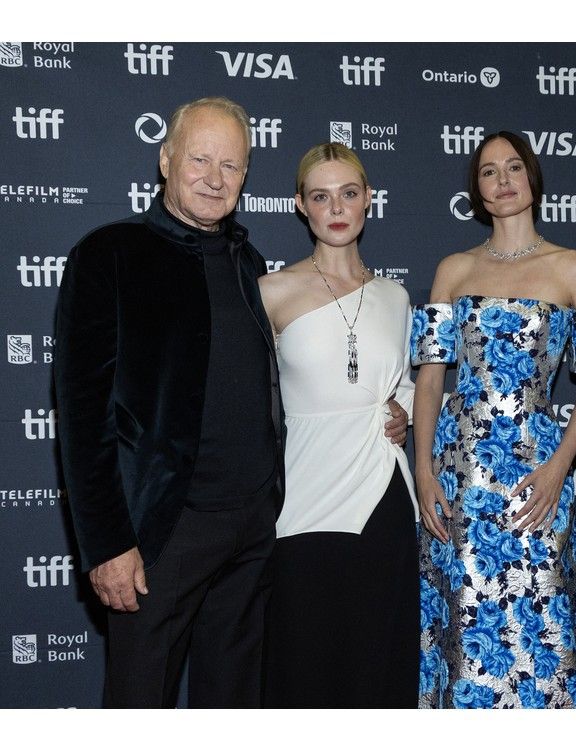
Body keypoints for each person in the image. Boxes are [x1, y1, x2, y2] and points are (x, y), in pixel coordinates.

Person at [54, 96, 282, 708]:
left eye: (231, 166)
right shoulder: (109, 255)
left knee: (233, 707)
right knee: (140, 705)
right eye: (200, 159)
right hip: (161, 536)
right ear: (165, 160)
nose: (215, 177)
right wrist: (106, 543)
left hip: (250, 529)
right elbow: (81, 416)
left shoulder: (247, 262)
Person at [410, 131, 576, 709]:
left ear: (533, 178)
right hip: (459, 472)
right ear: (478, 191)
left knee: (544, 616)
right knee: (465, 625)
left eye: (514, 167)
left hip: (537, 469)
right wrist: (424, 472)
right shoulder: (452, 270)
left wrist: (561, 466)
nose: (504, 180)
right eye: (489, 172)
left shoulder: (573, 267)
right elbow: (431, 379)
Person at [258, 143, 417, 707]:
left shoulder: (396, 297)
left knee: (379, 665)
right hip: (301, 500)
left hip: (383, 495)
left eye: (349, 193)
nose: (337, 208)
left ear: (368, 199)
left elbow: (405, 387)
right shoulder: (270, 292)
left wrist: (405, 409)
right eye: (321, 197)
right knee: (305, 668)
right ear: (301, 206)